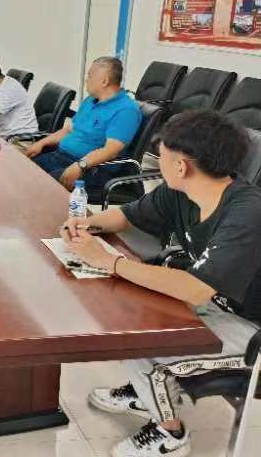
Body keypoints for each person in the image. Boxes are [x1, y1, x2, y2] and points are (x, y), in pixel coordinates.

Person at [61, 110, 261, 457]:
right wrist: (87, 224)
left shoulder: (248, 212)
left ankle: (170, 434)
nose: (158, 160)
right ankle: (144, 392)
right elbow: (127, 215)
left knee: (148, 346)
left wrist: (109, 262)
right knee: (130, 311)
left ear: (181, 166)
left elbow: (196, 288)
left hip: (251, 329)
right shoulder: (181, 192)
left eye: (162, 154)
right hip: (215, 305)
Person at [26, 56, 141, 191]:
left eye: (90, 76)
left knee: (36, 187)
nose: (86, 80)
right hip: (60, 156)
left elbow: (110, 151)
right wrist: (41, 143)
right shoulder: (90, 100)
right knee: (22, 171)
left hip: (91, 169)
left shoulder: (126, 110)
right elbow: (68, 130)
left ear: (104, 81)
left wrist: (80, 165)